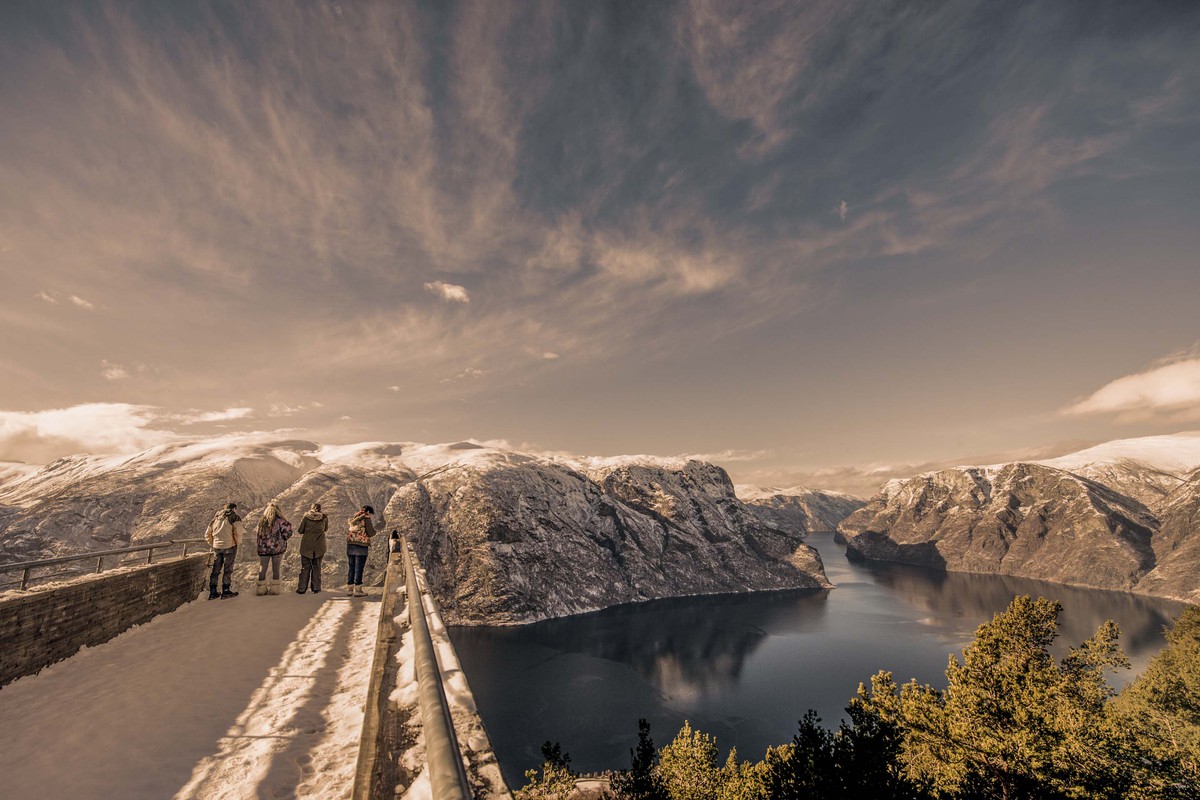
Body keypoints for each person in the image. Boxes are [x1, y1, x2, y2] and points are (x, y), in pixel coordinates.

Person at [204, 502, 243, 599]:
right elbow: (239, 532)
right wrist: (237, 543)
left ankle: (213, 592)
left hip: (217, 547)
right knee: (228, 569)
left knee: (215, 569)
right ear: (234, 509)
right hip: (230, 546)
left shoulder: (215, 518)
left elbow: (207, 534)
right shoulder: (235, 517)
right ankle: (226, 591)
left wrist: (213, 543)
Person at [255, 501, 293, 596]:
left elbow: (258, 535)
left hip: (263, 549)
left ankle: (261, 589)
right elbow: (288, 532)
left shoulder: (262, 522)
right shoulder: (281, 521)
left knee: (262, 568)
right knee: (276, 568)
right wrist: (282, 539)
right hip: (277, 548)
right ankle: (275, 589)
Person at [296, 502, 328, 594]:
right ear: (320, 509)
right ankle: (316, 588)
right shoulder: (324, 518)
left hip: (306, 546)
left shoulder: (306, 517)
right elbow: (325, 529)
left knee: (305, 567)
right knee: (317, 567)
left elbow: (300, 530)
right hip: (319, 546)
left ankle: (302, 589)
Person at [346, 505, 377, 596]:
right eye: (370, 514)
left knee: (351, 566)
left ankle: (350, 589)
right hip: (361, 546)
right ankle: (358, 590)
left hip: (350, 544)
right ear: (368, 512)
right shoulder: (366, 518)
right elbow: (371, 532)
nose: (370, 516)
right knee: (359, 567)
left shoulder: (354, 517)